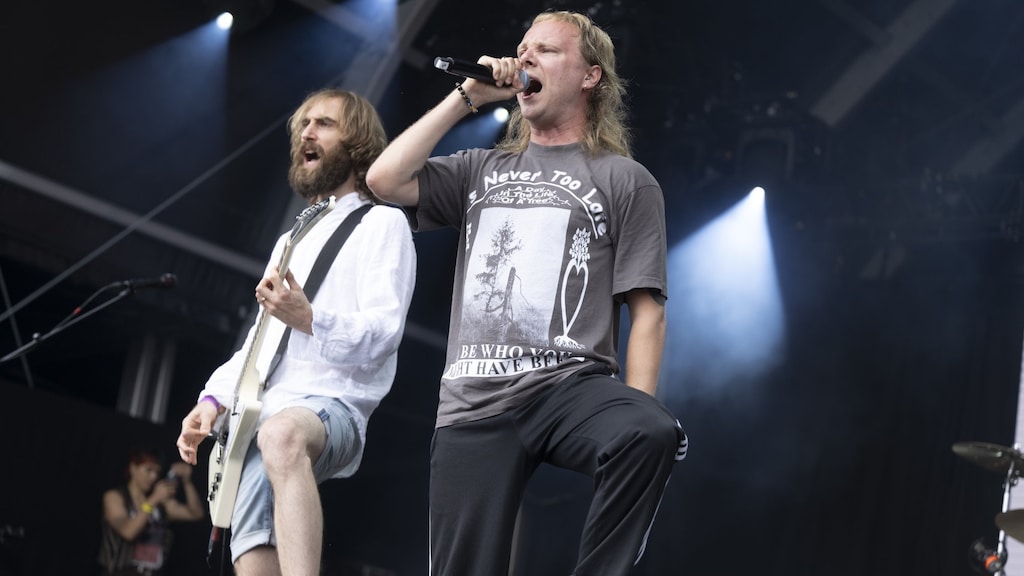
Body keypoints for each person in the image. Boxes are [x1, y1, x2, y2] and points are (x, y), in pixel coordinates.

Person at [366, 9, 688, 576]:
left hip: (569, 388)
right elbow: (384, 180)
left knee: (650, 430)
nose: (526, 57)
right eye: (523, 47)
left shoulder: (623, 179)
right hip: (473, 401)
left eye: (547, 49)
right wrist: (466, 98)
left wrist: (639, 403)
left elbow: (647, 315)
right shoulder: (479, 167)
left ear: (590, 76)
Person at [175, 88, 416, 576]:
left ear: (359, 143)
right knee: (251, 552)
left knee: (284, 435)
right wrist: (212, 402)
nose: (307, 132)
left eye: (324, 123)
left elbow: (384, 333)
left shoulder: (383, 224)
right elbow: (258, 344)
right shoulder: (292, 236)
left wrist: (310, 318)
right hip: (259, 418)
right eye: (303, 124)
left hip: (334, 408)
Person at [98, 447, 205, 576]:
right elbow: (128, 532)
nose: (153, 477)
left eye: (157, 472)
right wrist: (153, 500)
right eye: (148, 470)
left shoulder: (161, 504)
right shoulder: (115, 497)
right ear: (133, 468)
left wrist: (187, 482)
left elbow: (195, 514)